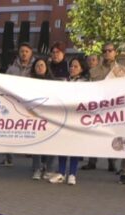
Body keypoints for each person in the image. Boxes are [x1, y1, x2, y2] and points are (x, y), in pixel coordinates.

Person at [83, 42, 125, 172]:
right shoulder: (94, 70)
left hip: (114, 107)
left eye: (110, 50)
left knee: (113, 134)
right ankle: (92, 161)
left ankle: (112, 161)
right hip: (98, 106)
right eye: (105, 51)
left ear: (115, 52)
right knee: (94, 134)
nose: (107, 53)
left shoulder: (122, 70)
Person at [48, 56, 89, 186]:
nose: (72, 68)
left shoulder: (86, 84)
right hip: (64, 118)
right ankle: (61, 172)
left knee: (74, 147)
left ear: (82, 68)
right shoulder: (64, 82)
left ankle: (72, 173)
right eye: (71, 66)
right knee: (62, 146)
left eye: (76, 66)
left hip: (77, 119)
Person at [29, 58, 54, 180]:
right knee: (36, 143)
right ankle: (37, 168)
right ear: (34, 68)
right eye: (37, 65)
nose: (40, 67)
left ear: (46, 67)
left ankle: (48, 168)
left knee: (50, 143)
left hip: (50, 117)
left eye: (42, 65)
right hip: (35, 116)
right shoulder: (28, 82)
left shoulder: (53, 82)